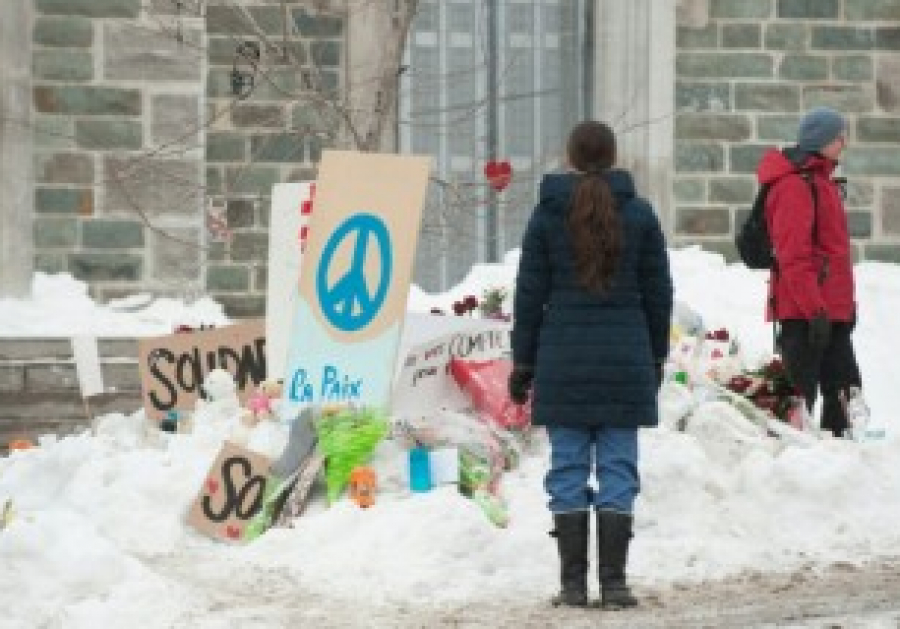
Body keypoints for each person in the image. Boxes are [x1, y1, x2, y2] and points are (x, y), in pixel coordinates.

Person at [508, 121, 673, 609]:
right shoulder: (640, 214)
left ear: (571, 157)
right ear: (614, 155)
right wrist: (656, 353)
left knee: (568, 466)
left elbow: (530, 295)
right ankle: (616, 582)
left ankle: (574, 585)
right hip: (626, 358)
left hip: (563, 359)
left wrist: (524, 361)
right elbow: (659, 292)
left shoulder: (546, 216)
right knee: (619, 463)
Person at [757, 106, 865, 438]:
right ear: (821, 141)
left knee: (845, 391)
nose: (844, 142)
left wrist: (844, 310)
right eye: (838, 136)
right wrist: (815, 310)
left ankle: (837, 460)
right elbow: (794, 257)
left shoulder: (823, 182)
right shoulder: (795, 186)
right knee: (798, 398)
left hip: (828, 312)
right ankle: (790, 465)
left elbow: (832, 255)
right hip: (805, 313)